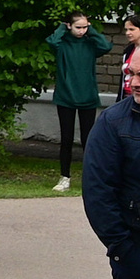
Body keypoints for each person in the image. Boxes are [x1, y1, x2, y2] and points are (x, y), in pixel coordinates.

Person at [48, 10, 115, 192]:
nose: (82, 31)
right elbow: (52, 41)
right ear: (69, 26)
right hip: (66, 97)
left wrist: (91, 30)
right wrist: (63, 27)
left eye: (85, 27)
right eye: (78, 27)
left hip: (87, 97)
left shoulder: (90, 43)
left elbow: (106, 46)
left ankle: (90, 177)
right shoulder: (62, 43)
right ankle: (65, 177)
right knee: (66, 139)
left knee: (89, 139)